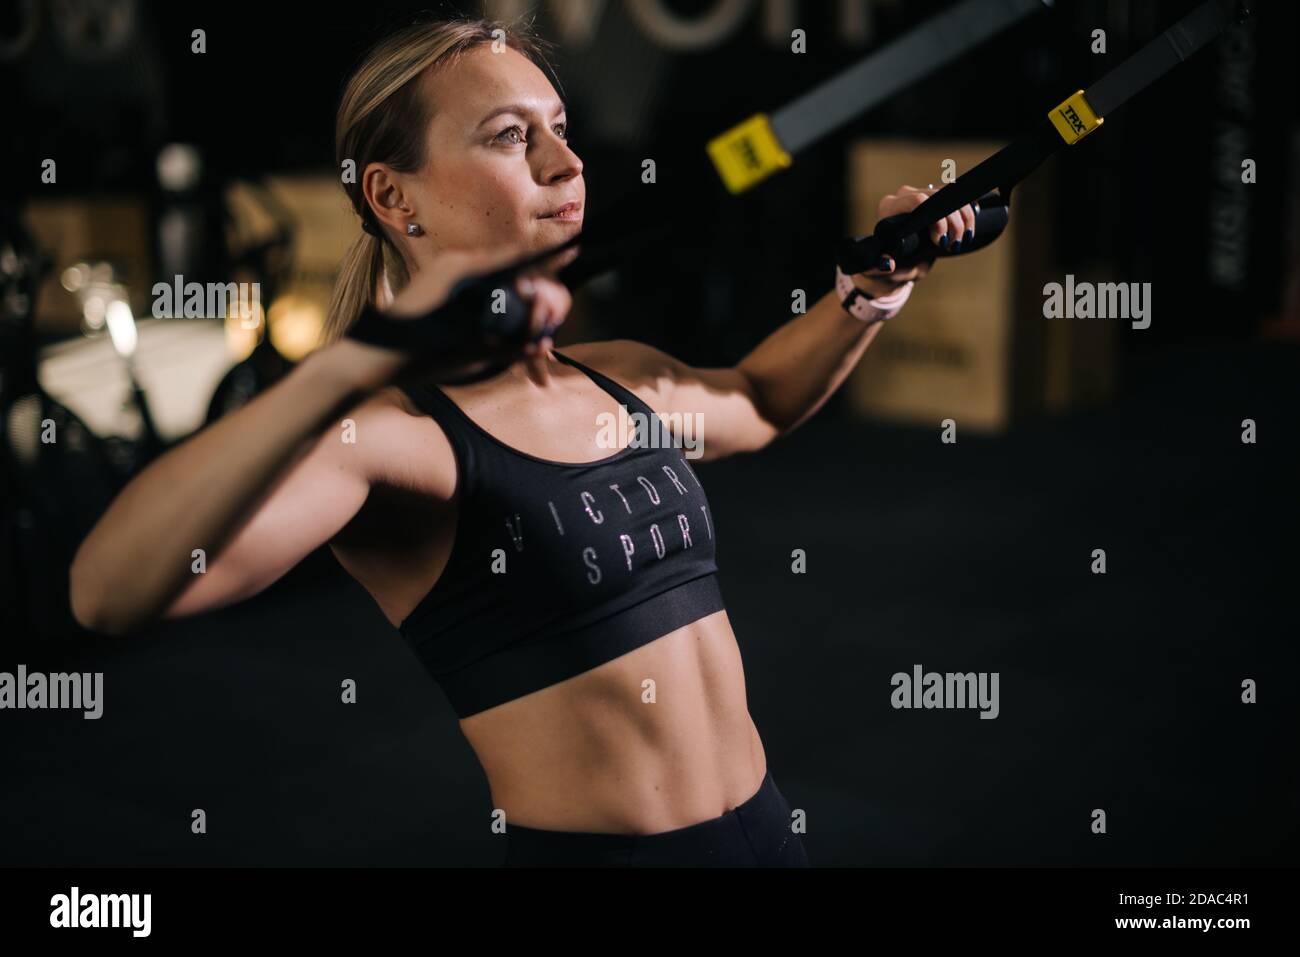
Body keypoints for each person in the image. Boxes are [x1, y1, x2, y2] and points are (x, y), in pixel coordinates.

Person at [69, 15, 976, 867]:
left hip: (773, 837)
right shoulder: (393, 438)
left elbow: (761, 401)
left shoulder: (614, 372)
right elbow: (105, 592)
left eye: (561, 127)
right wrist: (347, 366)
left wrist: (872, 292)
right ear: (391, 196)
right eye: (511, 135)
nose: (566, 163)